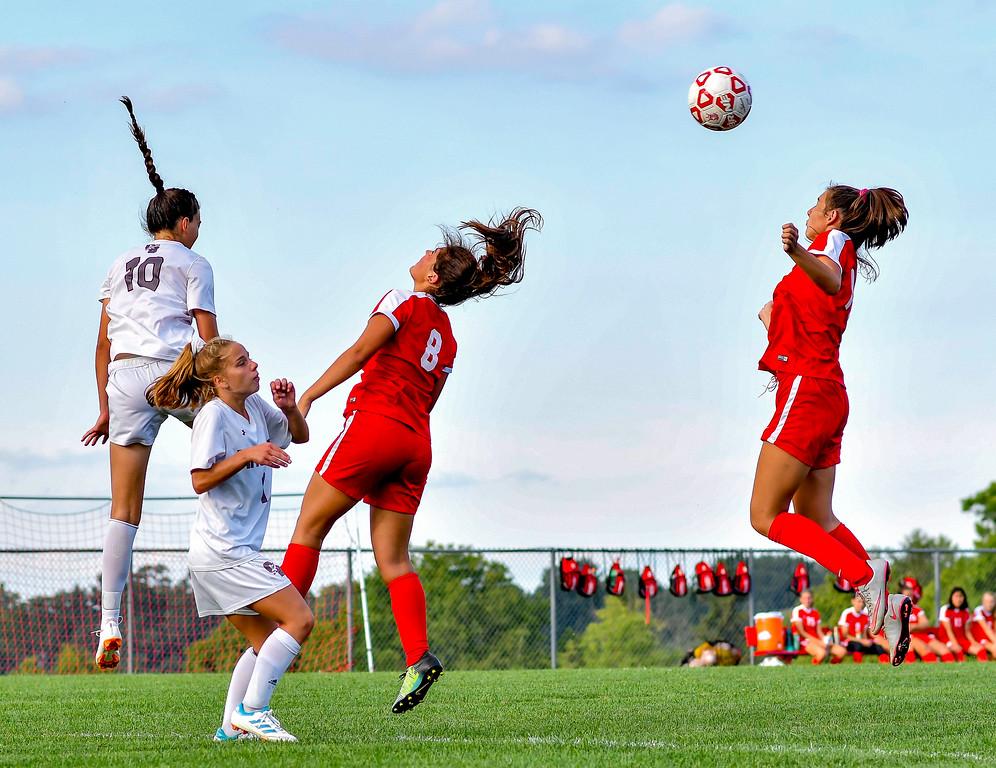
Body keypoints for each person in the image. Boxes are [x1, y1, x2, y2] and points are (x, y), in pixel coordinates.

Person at [278, 208, 542, 712]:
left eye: (430, 253)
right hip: (415, 441)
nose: (422, 253)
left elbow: (359, 353)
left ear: (433, 275)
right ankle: (418, 657)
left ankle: (276, 637)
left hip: (374, 427)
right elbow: (429, 399)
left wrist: (309, 396)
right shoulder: (449, 336)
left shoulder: (402, 299)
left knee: (309, 529)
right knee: (394, 560)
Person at [748, 184, 912, 666]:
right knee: (817, 514)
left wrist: (798, 248)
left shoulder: (833, 245)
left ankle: (865, 581)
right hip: (825, 391)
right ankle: (880, 585)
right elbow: (811, 313)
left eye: (816, 207)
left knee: (764, 516)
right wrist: (772, 321)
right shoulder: (833, 253)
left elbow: (826, 276)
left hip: (808, 392)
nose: (809, 211)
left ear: (834, 216)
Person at [82, 97, 219, 670]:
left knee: (123, 511)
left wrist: (105, 407)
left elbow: (103, 342)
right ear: (183, 222)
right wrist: (224, 397)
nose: (200, 228)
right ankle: (233, 570)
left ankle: (109, 622)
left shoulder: (119, 262)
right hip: (174, 375)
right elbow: (209, 344)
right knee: (236, 449)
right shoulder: (195, 263)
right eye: (199, 220)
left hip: (123, 379)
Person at [148, 337, 311, 741]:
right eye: (242, 363)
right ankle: (253, 711)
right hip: (224, 553)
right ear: (220, 380)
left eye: (251, 358)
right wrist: (246, 455)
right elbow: (200, 479)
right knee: (300, 619)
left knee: (265, 642)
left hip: (222, 555)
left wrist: (291, 410)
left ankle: (229, 730)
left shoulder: (254, 406)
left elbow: (299, 436)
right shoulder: (213, 416)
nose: (254, 365)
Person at [900, 577, 951, 663]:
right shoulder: (897, 607)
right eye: (905, 589)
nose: (908, 592)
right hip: (908, 637)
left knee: (945, 651)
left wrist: (912, 627)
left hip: (922, 635)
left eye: (910, 589)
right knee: (923, 649)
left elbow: (925, 624)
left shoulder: (917, 609)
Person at [792, 590, 846, 664]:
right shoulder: (797, 610)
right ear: (800, 599)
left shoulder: (815, 612)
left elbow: (818, 631)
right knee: (821, 654)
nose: (807, 600)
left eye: (809, 598)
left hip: (818, 641)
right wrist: (819, 642)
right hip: (805, 642)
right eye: (805, 598)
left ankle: (831, 667)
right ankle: (812, 670)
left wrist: (825, 640)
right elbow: (801, 632)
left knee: (842, 652)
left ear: (812, 599)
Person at [939, 587, 988, 662]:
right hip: (948, 639)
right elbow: (948, 630)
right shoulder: (945, 609)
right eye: (956, 596)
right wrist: (955, 644)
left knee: (981, 650)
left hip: (961, 639)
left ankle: (984, 671)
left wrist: (974, 642)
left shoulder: (965, 611)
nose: (958, 599)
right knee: (959, 653)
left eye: (961, 596)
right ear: (951, 597)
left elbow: (967, 631)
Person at [837, 593, 886, 662]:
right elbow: (845, 635)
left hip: (861, 642)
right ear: (853, 601)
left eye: (863, 602)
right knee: (858, 646)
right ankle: (858, 666)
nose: (861, 604)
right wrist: (861, 641)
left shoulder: (865, 615)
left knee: (879, 648)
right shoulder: (847, 613)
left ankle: (885, 666)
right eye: (859, 601)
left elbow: (864, 634)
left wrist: (867, 641)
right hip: (848, 642)